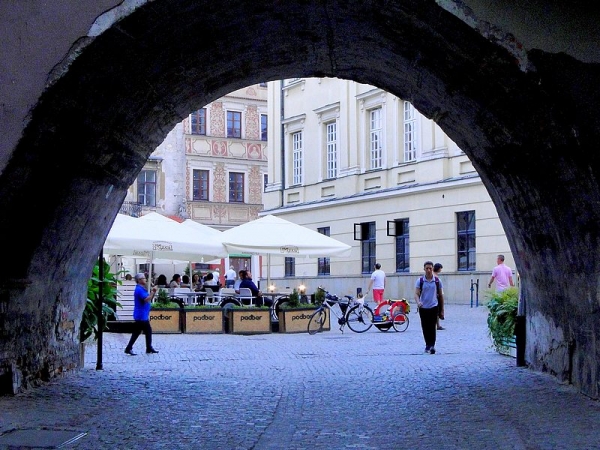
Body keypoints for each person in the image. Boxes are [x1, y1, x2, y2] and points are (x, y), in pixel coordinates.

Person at [124, 273, 159, 355]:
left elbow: (149, 298)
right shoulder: (139, 290)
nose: (145, 279)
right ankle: (147, 348)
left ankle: (131, 348)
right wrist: (152, 292)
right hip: (141, 315)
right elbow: (146, 299)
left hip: (142, 314)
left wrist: (152, 293)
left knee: (138, 331)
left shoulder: (142, 289)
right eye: (143, 278)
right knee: (146, 330)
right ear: (139, 280)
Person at [415, 261, 444, 354]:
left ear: (432, 269)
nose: (428, 270)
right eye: (427, 268)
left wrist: (442, 310)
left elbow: (441, 295)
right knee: (425, 326)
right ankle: (427, 344)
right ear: (424, 269)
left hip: (433, 306)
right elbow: (416, 293)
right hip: (423, 307)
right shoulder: (420, 281)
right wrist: (418, 302)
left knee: (432, 326)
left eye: (430, 268)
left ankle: (432, 345)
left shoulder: (437, 281)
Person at [433, 262, 445, 330]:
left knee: (436, 311)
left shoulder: (433, 275)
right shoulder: (436, 277)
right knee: (437, 311)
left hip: (434, 295)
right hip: (436, 296)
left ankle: (437, 325)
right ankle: (437, 325)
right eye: (440, 268)